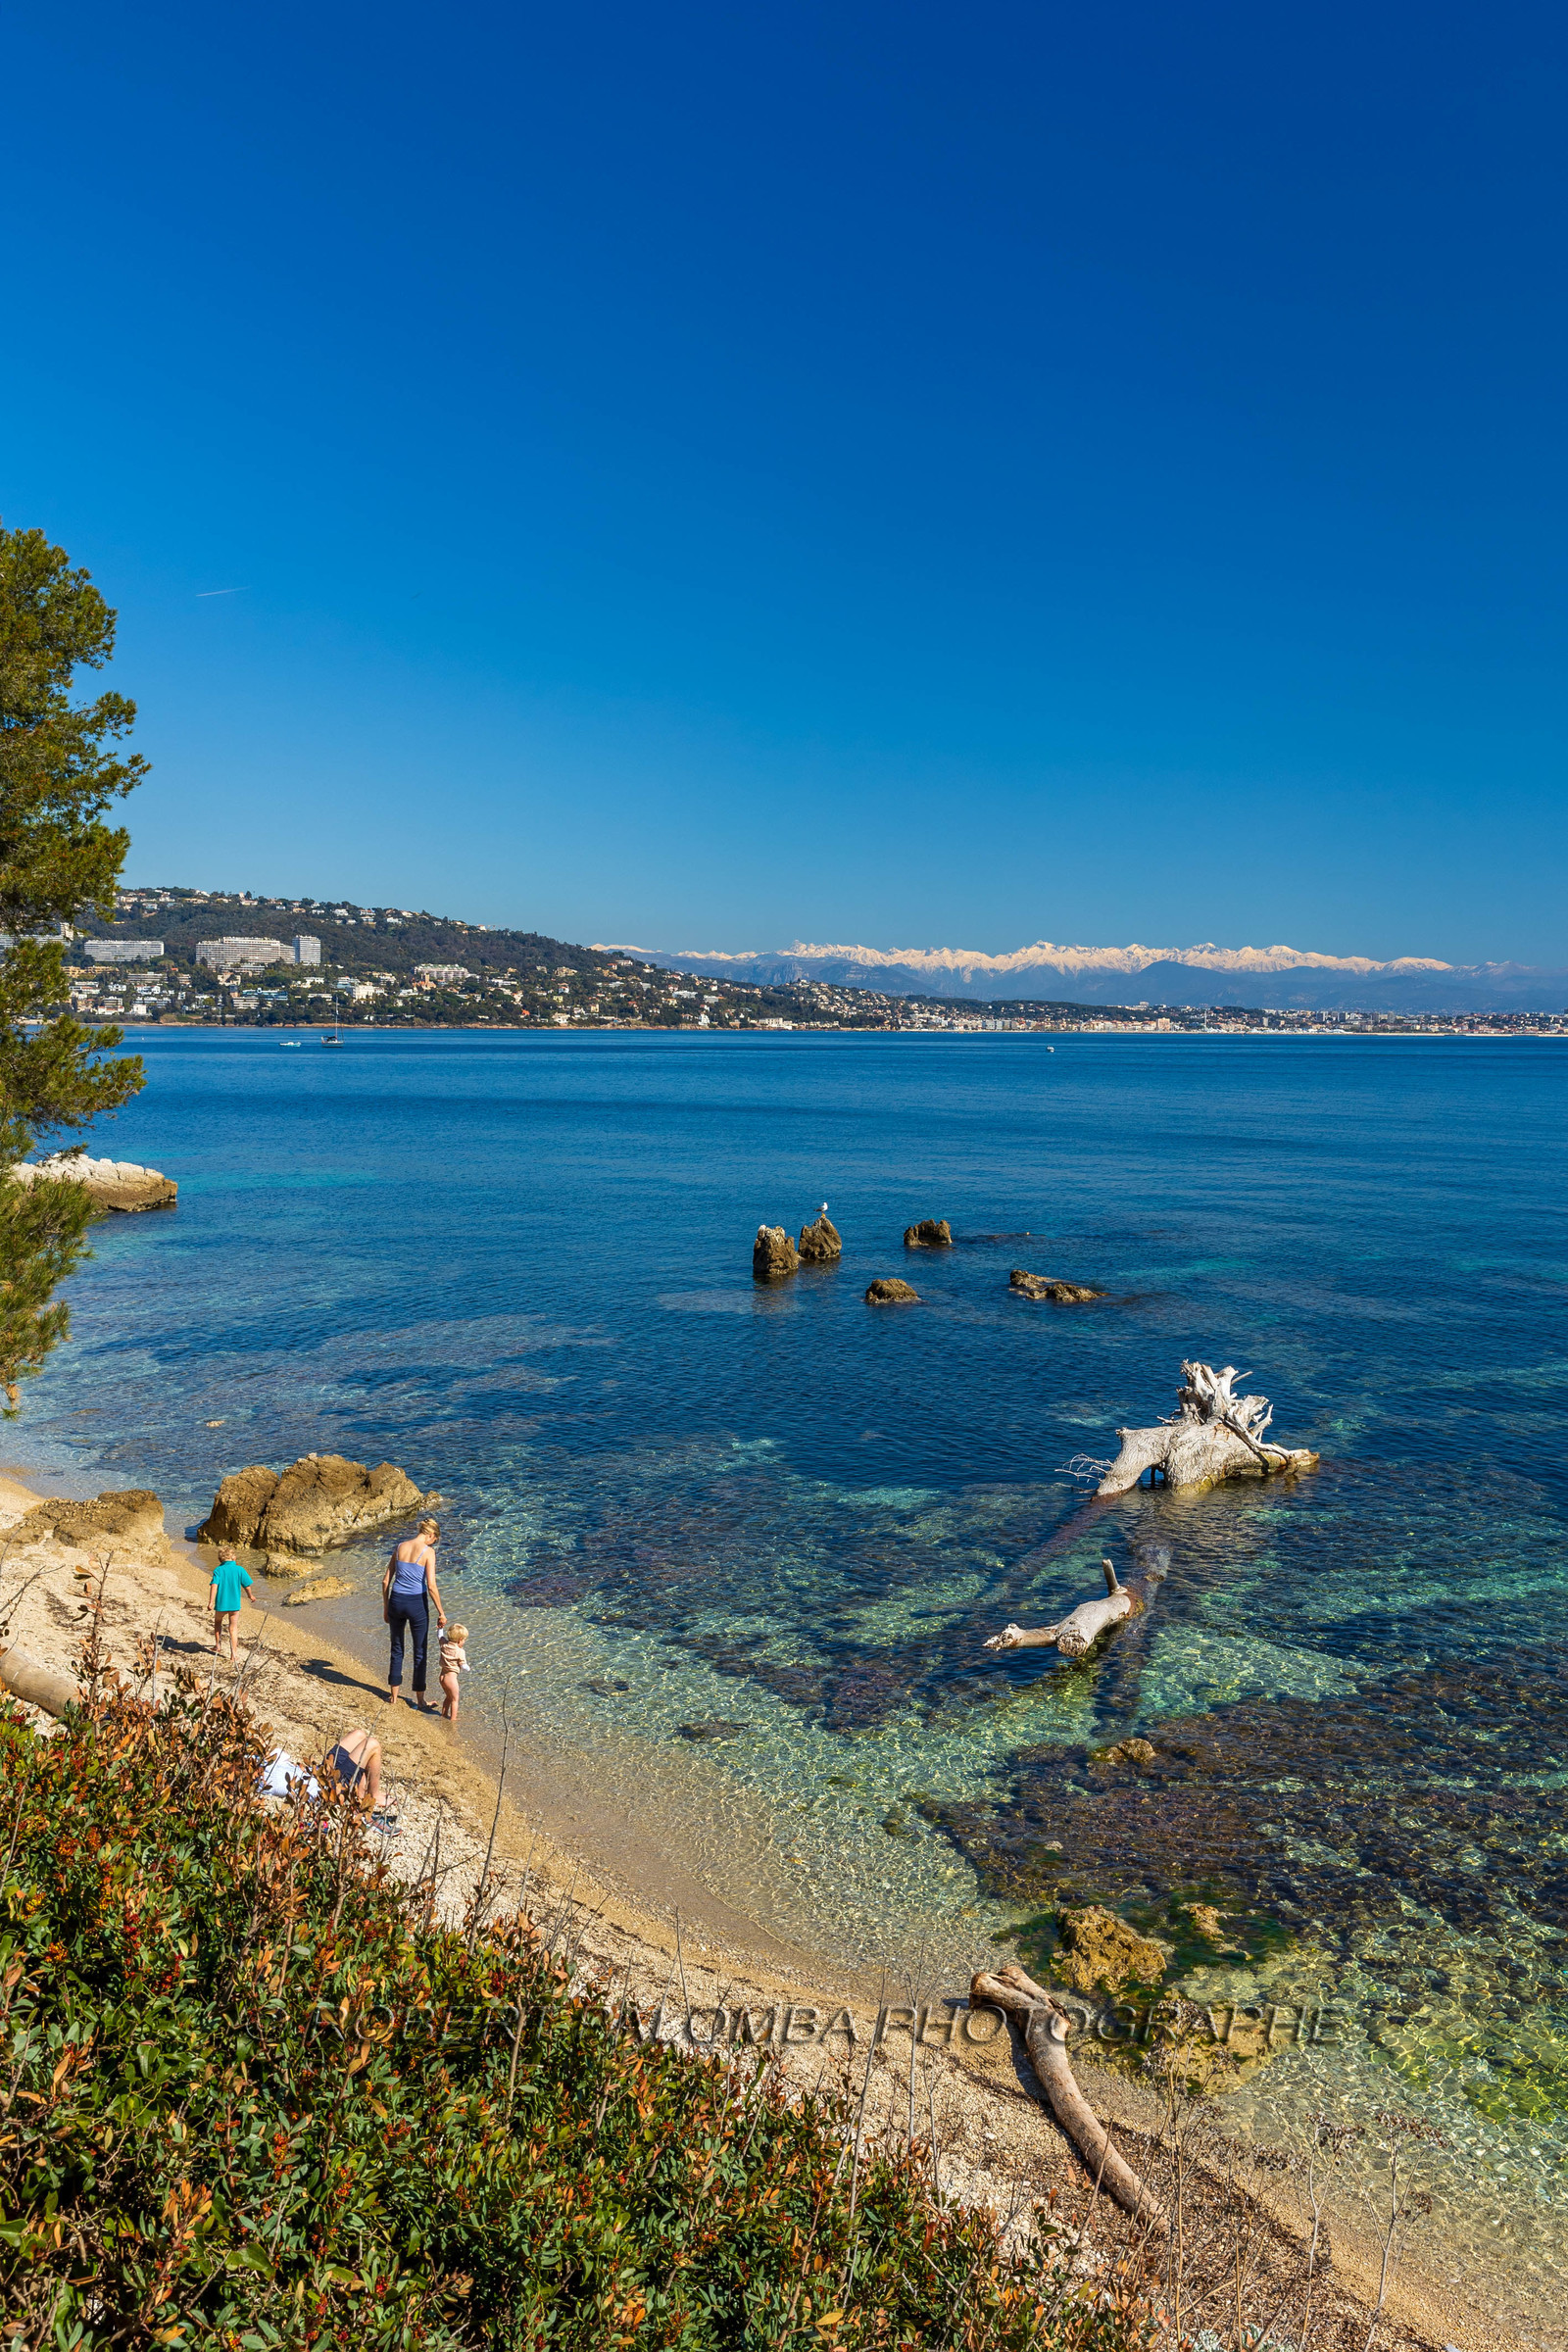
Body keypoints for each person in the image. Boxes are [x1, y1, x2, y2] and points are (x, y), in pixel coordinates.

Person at [382, 1516, 446, 1710]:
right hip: (416, 1603)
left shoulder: (400, 1546)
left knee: (397, 1648)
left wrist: (386, 1607)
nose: (433, 1543)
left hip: (396, 1601)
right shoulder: (428, 1552)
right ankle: (420, 1700)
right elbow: (431, 1586)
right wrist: (441, 1612)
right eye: (434, 1540)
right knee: (420, 1651)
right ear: (431, 1535)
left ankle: (394, 1696)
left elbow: (385, 1581)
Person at [322, 1726, 384, 1811]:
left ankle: (360, 1790)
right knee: (372, 1745)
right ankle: (374, 1796)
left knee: (358, 1735)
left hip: (321, 1773)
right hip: (330, 1787)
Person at [209, 1551, 253, 1661]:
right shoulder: (240, 1570)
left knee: (218, 1622)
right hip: (234, 1605)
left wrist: (211, 1602)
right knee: (233, 1628)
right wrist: (250, 1596)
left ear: (220, 1559)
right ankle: (234, 1655)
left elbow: (214, 1586)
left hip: (221, 1604)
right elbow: (247, 1586)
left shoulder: (218, 1570)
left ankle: (218, 1646)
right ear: (234, 1557)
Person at [437, 1620, 469, 1720]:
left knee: (448, 1697)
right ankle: (453, 1719)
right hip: (451, 1679)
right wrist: (467, 1668)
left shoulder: (444, 1645)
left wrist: (440, 1628)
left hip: (442, 1677)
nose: (464, 1642)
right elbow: (463, 1665)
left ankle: (444, 1714)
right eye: (464, 1640)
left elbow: (440, 1636)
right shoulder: (460, 1651)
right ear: (460, 1640)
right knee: (455, 1699)